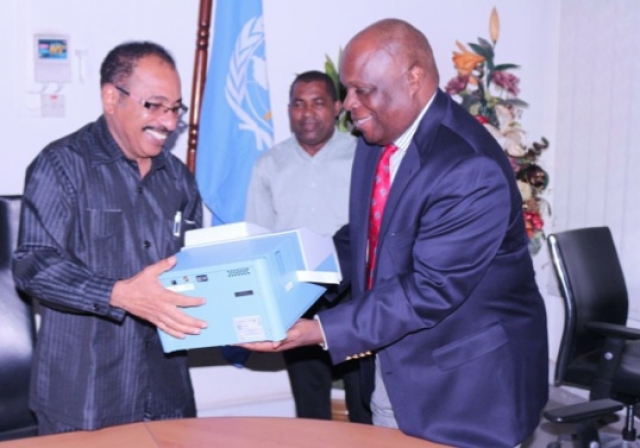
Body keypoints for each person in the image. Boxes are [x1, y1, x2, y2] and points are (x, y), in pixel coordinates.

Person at [241, 18, 549, 448]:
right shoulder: (377, 142)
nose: (348, 104)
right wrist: (283, 275)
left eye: (362, 90)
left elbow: (429, 289)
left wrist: (319, 331)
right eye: (347, 89)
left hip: (466, 391)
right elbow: (363, 238)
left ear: (414, 78)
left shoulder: (466, 166)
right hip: (395, 366)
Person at [12, 41, 207, 435]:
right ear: (111, 98)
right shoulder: (61, 165)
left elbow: (196, 266)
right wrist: (117, 293)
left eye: (175, 109)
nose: (169, 122)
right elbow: (32, 264)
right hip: (85, 397)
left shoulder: (178, 178)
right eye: (155, 105)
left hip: (167, 393)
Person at [245, 71, 371, 424]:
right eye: (299, 104)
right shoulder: (269, 165)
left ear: (336, 107)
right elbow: (258, 238)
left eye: (317, 103)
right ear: (289, 110)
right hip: (298, 296)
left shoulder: (363, 155)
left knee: (363, 400)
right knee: (310, 406)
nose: (307, 113)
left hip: (354, 294)